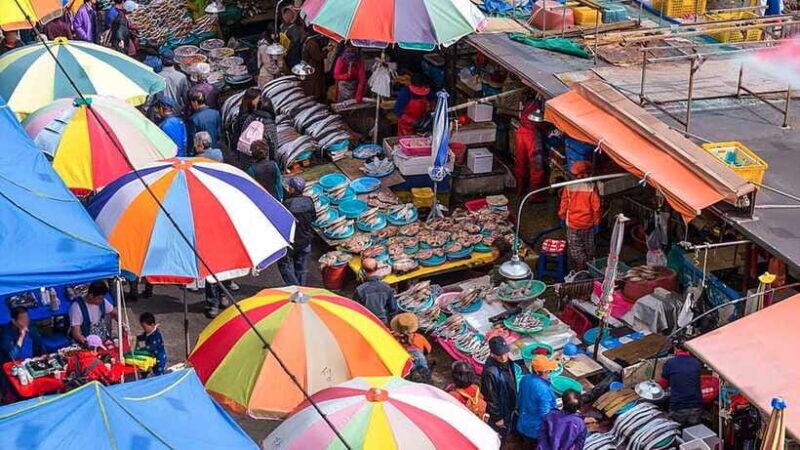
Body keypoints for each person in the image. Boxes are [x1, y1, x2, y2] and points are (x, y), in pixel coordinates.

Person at [558, 161, 601, 271]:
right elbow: (596, 207)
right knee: (589, 247)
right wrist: (597, 222)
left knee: (576, 249)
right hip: (588, 223)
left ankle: (581, 271)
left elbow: (564, 204)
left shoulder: (569, 187)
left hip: (573, 224)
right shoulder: (591, 187)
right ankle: (590, 268)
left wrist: (562, 217)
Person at [482, 336, 526, 441]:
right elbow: (490, 398)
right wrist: (498, 418)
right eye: (499, 355)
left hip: (509, 404)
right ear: (492, 354)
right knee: (500, 435)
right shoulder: (490, 372)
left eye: (505, 353)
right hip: (502, 409)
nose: (503, 357)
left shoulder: (508, 361)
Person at [278, 177, 316, 285]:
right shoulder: (309, 200)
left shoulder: (287, 204)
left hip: (291, 242)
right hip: (305, 240)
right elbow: (313, 218)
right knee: (301, 268)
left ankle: (295, 288)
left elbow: (282, 223)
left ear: (292, 189)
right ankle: (301, 288)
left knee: (284, 266)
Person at [517, 355, 558, 448]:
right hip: (535, 430)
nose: (549, 373)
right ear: (542, 372)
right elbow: (545, 414)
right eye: (548, 371)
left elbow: (519, 398)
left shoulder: (525, 378)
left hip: (522, 422)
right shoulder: (544, 390)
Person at [659, 343, 703, 426]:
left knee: (676, 430)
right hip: (696, 406)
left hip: (678, 406)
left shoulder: (670, 363)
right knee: (692, 431)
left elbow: (663, 384)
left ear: (675, 349)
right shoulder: (696, 363)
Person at [516, 98, 549, 198]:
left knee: (520, 163)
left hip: (521, 132)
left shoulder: (529, 103)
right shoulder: (542, 107)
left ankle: (520, 190)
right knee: (536, 166)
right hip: (532, 135)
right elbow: (545, 123)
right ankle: (535, 196)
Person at [69, 280, 118, 345]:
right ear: (91, 296)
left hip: (102, 338)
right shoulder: (76, 307)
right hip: (85, 341)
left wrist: (122, 324)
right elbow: (76, 334)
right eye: (100, 298)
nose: (101, 300)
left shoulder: (102, 302)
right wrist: (88, 343)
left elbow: (114, 313)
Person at [236, 88, 278, 157]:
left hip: (245, 153)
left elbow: (243, 131)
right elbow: (273, 144)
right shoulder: (270, 125)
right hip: (261, 157)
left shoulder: (250, 117)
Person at [352, 258, 396, 325]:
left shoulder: (360, 290)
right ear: (377, 268)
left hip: (367, 321)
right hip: (383, 322)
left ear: (363, 271)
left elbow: (355, 309)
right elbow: (393, 308)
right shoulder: (386, 287)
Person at [159, 50, 189, 116]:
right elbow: (185, 97)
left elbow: (152, 98)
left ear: (161, 60)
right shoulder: (182, 77)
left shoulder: (157, 77)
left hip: (162, 112)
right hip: (177, 110)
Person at [301, 30, 327, 101]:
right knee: (313, 85)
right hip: (313, 67)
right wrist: (327, 51)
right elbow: (317, 57)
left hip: (309, 66)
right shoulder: (312, 43)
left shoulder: (308, 41)